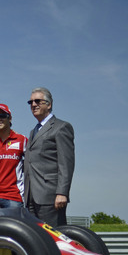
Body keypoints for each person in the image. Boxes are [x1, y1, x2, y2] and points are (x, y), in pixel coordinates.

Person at [24, 87, 75, 227]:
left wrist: (62, 193)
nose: (33, 105)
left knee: (53, 238)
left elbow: (66, 163)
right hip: (30, 196)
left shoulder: (61, 127)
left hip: (50, 196)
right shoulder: (33, 131)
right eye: (31, 102)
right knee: (35, 238)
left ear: (49, 104)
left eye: (38, 101)